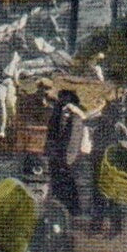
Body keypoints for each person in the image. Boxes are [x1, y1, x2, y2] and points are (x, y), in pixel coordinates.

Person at [43, 88, 87, 216]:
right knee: (58, 180)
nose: (61, 100)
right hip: (57, 155)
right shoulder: (59, 111)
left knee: (66, 181)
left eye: (64, 98)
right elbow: (51, 133)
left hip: (65, 156)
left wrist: (68, 158)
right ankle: (61, 208)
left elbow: (73, 139)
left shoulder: (75, 117)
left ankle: (72, 210)